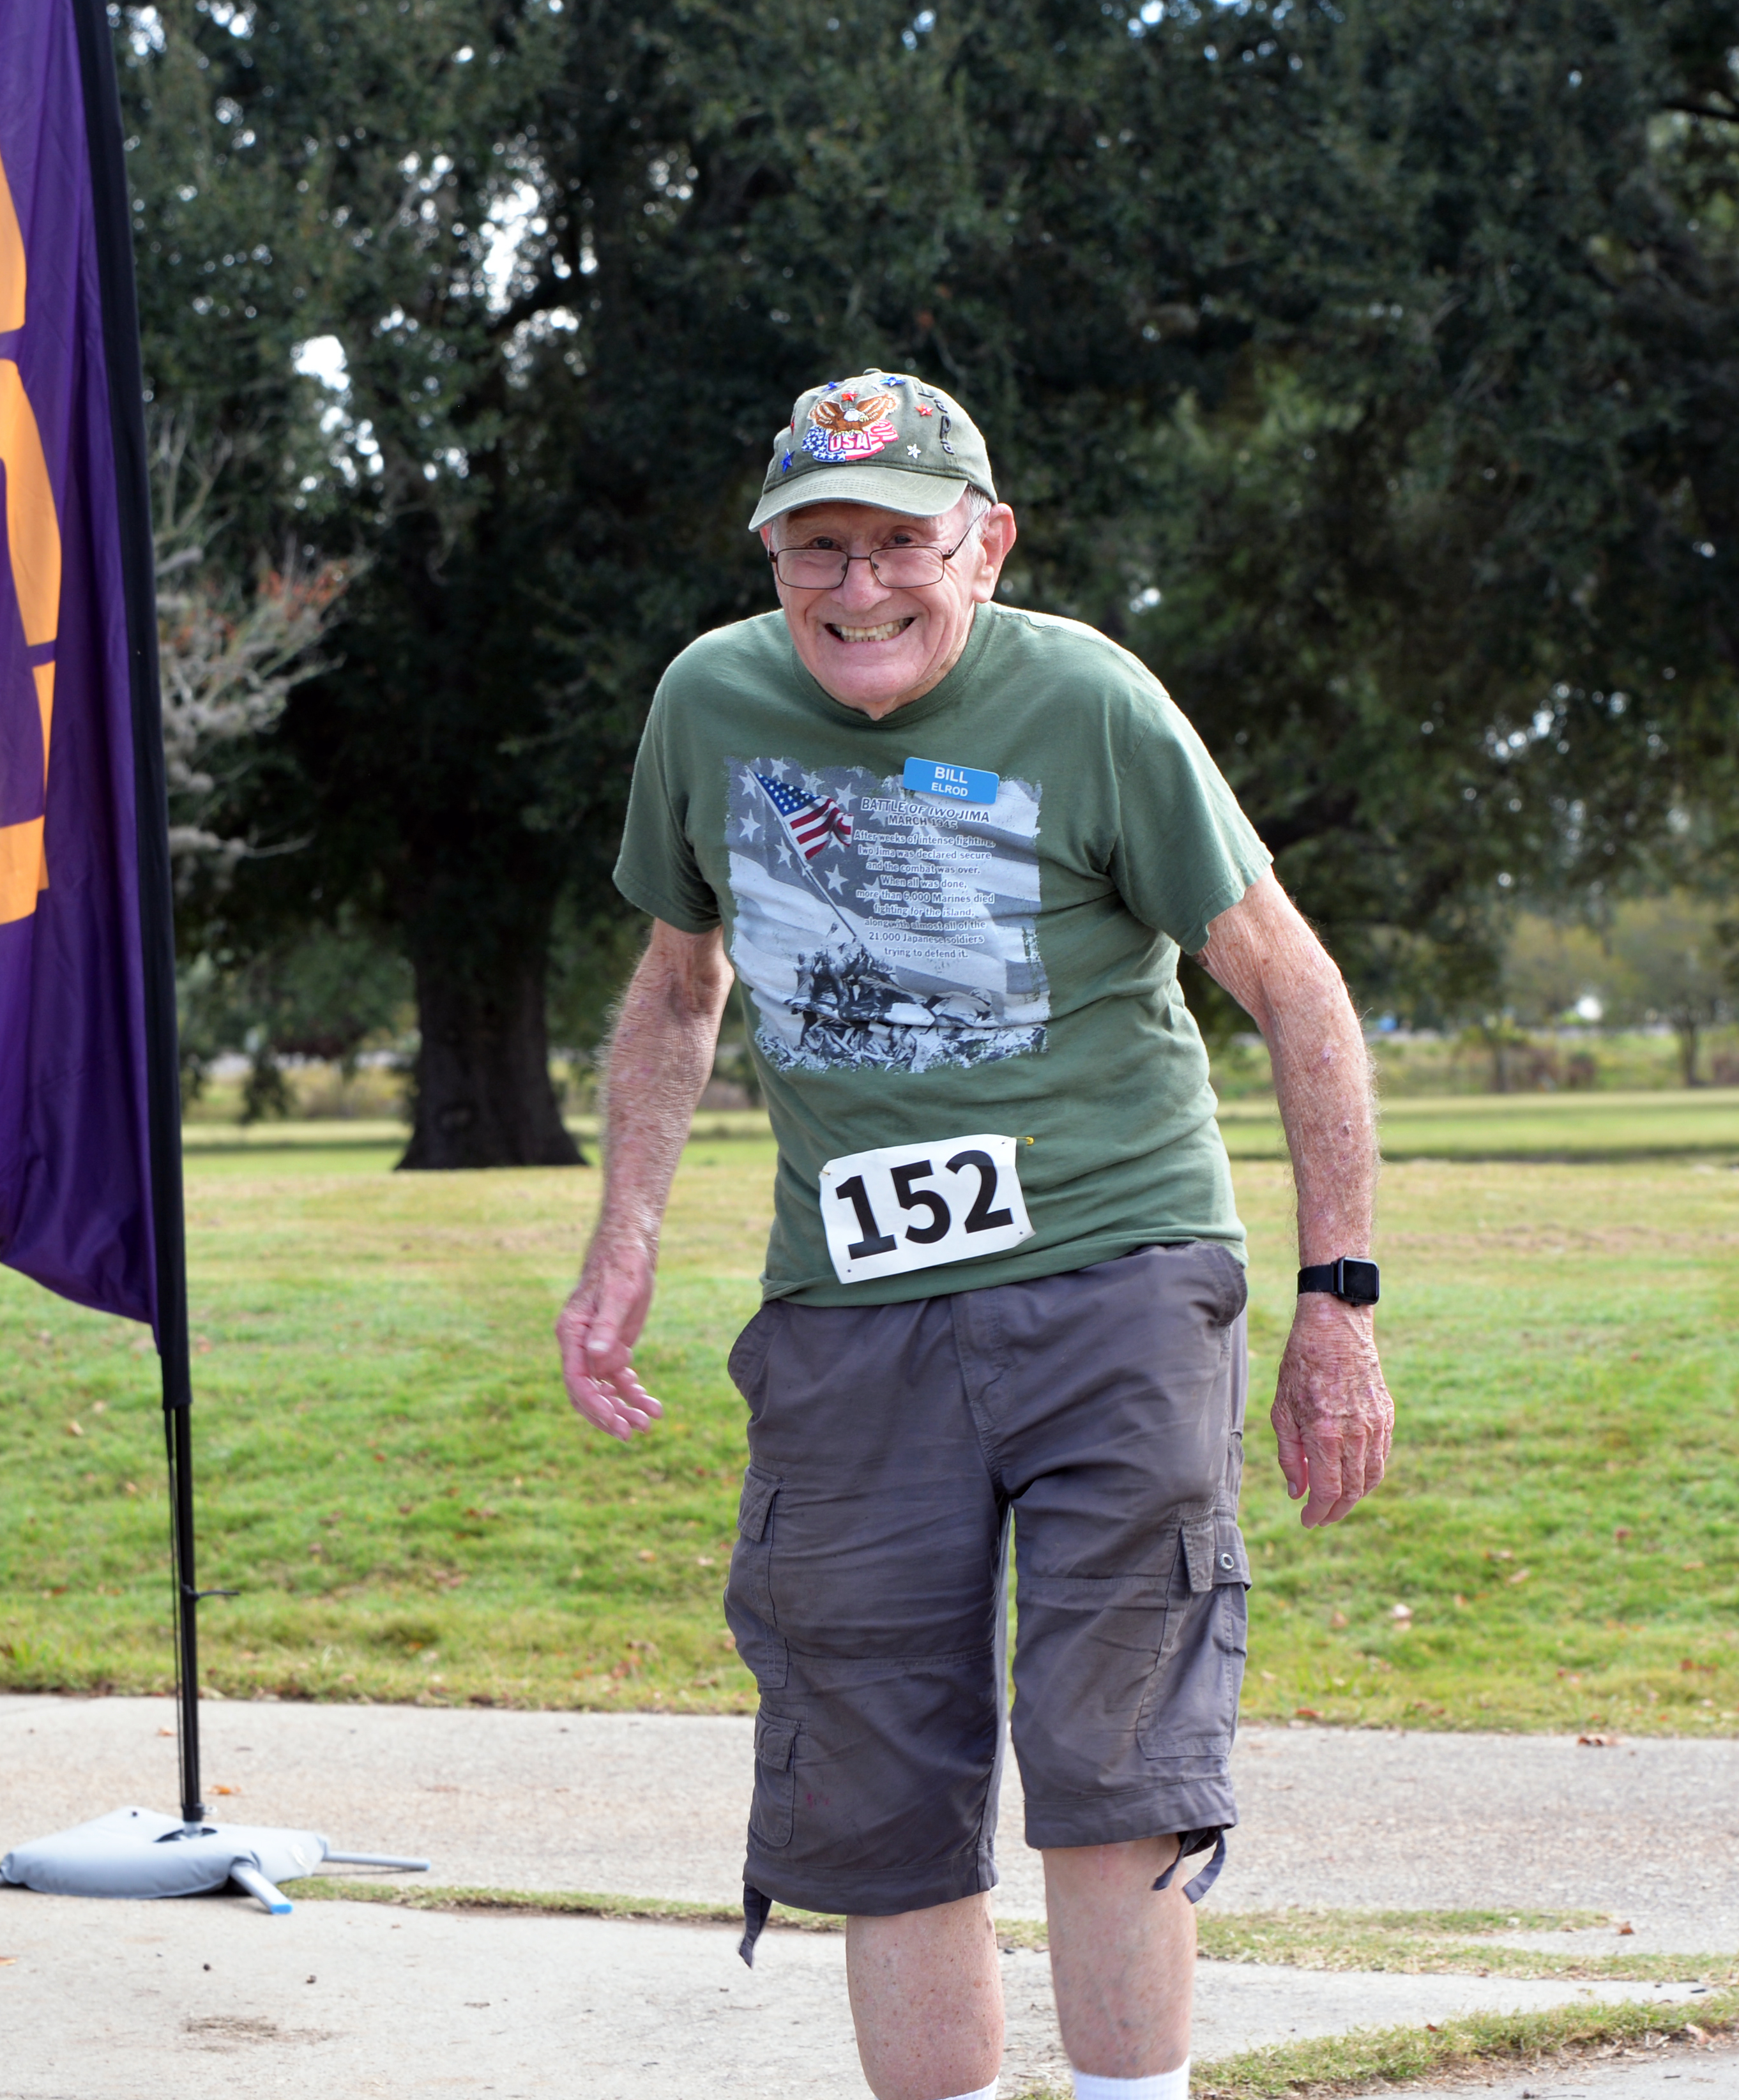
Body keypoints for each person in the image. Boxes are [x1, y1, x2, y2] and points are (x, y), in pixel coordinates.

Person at [558, 369, 1392, 2100]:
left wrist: (1338, 1305)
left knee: (1114, 1753)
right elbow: (677, 983)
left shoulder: (1090, 705)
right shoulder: (708, 705)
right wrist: (625, 1235)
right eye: (817, 552)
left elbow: (1293, 987)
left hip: (1121, 1277)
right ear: (773, 559)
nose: (858, 590)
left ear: (986, 545)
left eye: (898, 545)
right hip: (851, 1315)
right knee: (873, 1782)